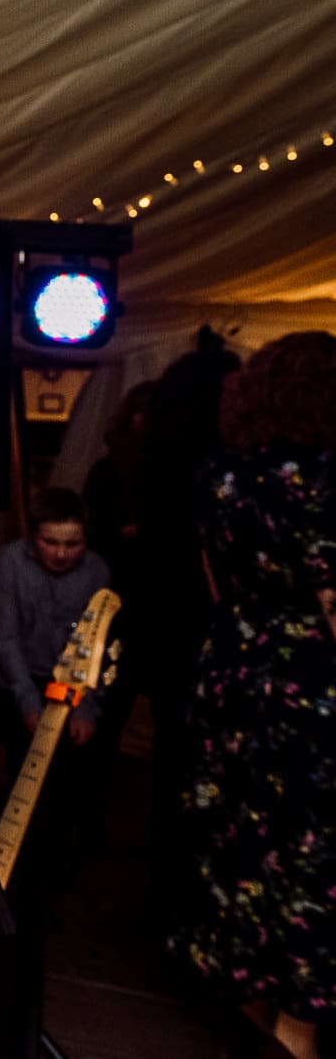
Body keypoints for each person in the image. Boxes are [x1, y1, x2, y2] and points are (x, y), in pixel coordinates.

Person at [172, 330, 336, 1058]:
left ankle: (249, 997)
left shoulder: (221, 471)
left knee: (239, 842)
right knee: (309, 857)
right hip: (309, 688)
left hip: (233, 671)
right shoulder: (325, 476)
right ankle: (296, 1031)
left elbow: (216, 583)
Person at [0, 486, 112, 757]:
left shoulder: (97, 570)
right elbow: (5, 638)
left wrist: (86, 708)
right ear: (33, 536)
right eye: (50, 543)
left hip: (76, 685)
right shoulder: (9, 563)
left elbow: (97, 646)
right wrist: (29, 704)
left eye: (72, 544)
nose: (61, 554)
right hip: (20, 680)